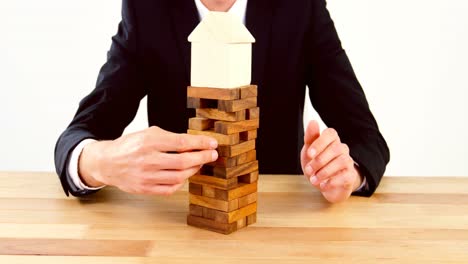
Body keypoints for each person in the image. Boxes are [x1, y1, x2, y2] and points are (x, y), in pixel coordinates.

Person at [55, 0, 390, 203]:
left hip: (275, 223)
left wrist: (348, 172)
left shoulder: (300, 7)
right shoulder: (147, 9)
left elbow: (365, 139)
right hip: (178, 217)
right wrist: (99, 162)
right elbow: (82, 131)